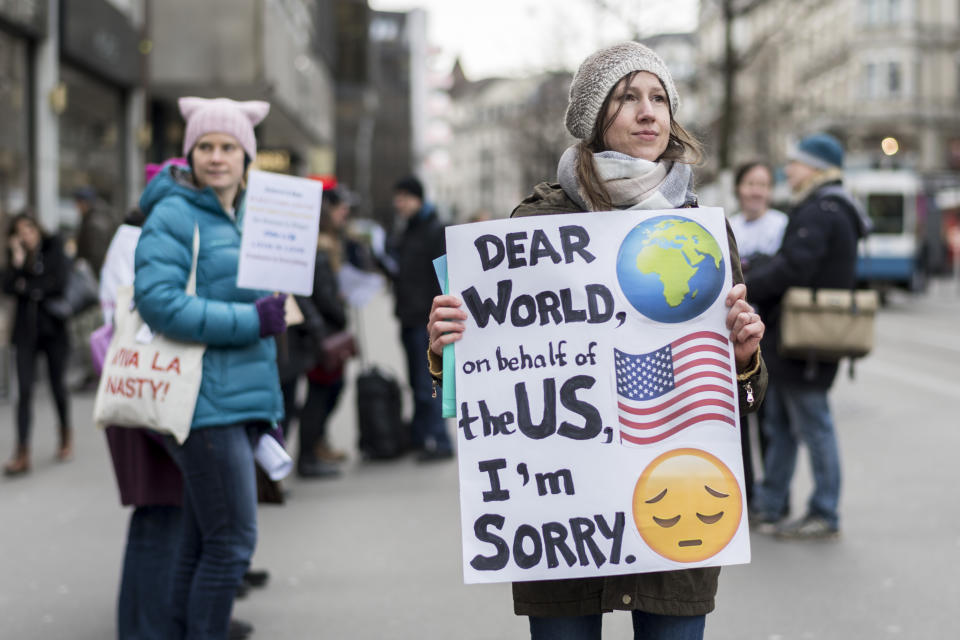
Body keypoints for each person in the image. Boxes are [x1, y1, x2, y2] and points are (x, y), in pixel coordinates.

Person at [426, 42, 767, 639]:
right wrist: (444, 347)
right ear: (593, 118)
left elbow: (747, 396)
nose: (647, 112)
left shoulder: (700, 235)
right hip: (564, 525)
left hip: (673, 520)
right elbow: (487, 379)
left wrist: (744, 358)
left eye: (658, 98)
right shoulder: (534, 226)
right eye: (626, 98)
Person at [134, 96, 286, 639]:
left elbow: (265, 305)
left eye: (228, 146)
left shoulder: (251, 212)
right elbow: (159, 302)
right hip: (201, 404)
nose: (217, 157)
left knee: (202, 541)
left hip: (235, 398)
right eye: (205, 146)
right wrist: (253, 319)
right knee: (232, 544)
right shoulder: (174, 213)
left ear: (247, 155)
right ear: (189, 153)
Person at [745, 133, 870, 540]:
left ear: (816, 167)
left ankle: (823, 511)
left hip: (806, 342)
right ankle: (771, 504)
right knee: (781, 425)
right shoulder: (831, 206)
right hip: (797, 340)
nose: (789, 170)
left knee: (813, 426)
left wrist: (750, 285)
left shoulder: (822, 209)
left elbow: (795, 267)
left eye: (796, 162)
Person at [728, 161, 788, 507]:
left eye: (762, 184)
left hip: (772, 340)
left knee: (770, 422)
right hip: (736, 341)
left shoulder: (781, 225)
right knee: (739, 422)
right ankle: (746, 494)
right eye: (750, 183)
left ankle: (772, 496)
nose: (756, 190)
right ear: (739, 188)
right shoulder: (730, 226)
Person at [389, 176, 453, 462]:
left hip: (425, 321)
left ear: (417, 199)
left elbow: (443, 276)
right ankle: (420, 435)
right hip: (408, 316)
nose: (398, 203)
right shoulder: (407, 230)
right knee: (418, 383)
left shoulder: (433, 230)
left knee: (430, 382)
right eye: (397, 197)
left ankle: (439, 441)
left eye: (403, 197)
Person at [2, 213, 72, 475]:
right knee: (24, 392)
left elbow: (58, 284)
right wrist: (19, 263)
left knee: (57, 387)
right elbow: (7, 286)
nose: (26, 236)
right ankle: (22, 453)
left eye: (29, 230)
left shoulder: (54, 247)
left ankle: (65, 434)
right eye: (20, 233)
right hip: (25, 333)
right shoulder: (16, 256)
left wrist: (28, 287)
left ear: (38, 229)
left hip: (53, 330)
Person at [296, 187, 354, 476]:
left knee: (328, 390)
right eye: (341, 208)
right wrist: (338, 310)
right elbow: (321, 296)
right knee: (320, 394)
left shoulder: (329, 244)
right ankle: (308, 456)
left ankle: (316, 446)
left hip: (324, 331)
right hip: (323, 334)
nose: (345, 214)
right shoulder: (319, 249)